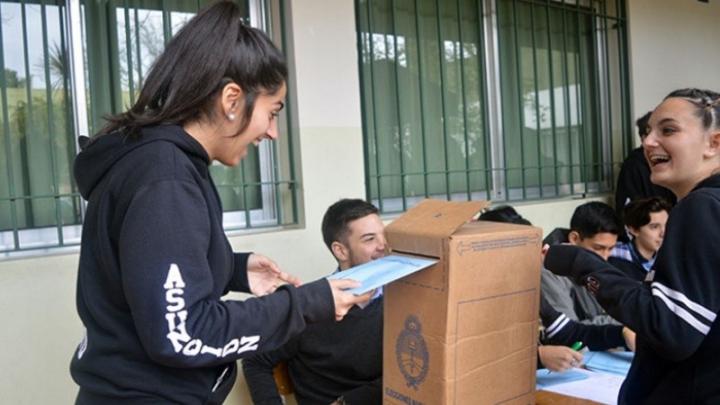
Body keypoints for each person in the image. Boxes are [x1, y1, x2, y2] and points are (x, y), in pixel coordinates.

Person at [69, 3, 371, 404]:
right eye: (272, 112)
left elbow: (150, 267)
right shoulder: (165, 180)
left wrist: (233, 268)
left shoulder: (159, 162)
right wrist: (309, 303)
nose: (273, 132)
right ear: (232, 100)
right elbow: (185, 335)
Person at [545, 88, 720, 403]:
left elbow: (671, 330)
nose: (649, 142)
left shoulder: (701, 208)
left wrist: (582, 263)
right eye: (649, 131)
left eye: (668, 130)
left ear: (714, 143)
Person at [243, 199, 385, 405]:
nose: (384, 246)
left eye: (384, 235)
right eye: (370, 239)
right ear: (341, 251)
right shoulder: (308, 306)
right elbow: (255, 362)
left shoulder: (401, 299)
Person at [479, 206, 634, 373]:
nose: (541, 255)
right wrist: (539, 357)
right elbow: (473, 355)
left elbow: (565, 331)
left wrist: (621, 334)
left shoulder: (525, 285)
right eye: (527, 251)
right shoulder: (475, 295)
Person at [541, 202, 621, 325]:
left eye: (610, 249)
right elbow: (567, 329)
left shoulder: (593, 263)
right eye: (598, 248)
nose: (604, 257)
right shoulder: (548, 269)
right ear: (574, 239)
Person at [615, 112, 676, 219]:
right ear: (644, 139)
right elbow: (629, 208)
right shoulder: (634, 165)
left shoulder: (673, 159)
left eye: (667, 132)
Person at [609, 197, 671, 281]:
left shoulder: (667, 258)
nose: (663, 233)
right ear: (634, 230)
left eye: (667, 225)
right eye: (654, 227)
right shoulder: (614, 258)